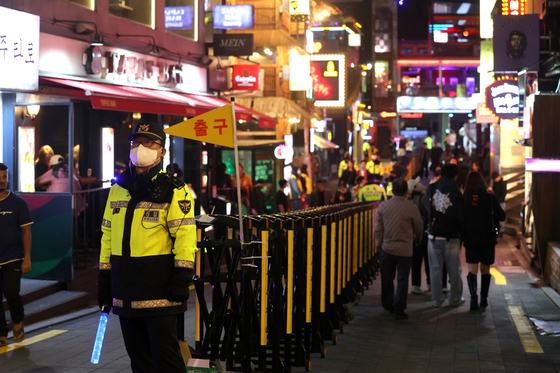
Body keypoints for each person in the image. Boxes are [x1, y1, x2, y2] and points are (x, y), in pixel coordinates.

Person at [97, 122, 196, 373]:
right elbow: (107, 236)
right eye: (136, 142)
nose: (140, 148)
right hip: (125, 290)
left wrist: (181, 279)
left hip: (160, 291)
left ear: (162, 152)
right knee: (139, 360)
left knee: (167, 358)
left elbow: (185, 237)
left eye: (149, 143)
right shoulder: (118, 188)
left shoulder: (175, 190)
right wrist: (103, 279)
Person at [375, 178, 424, 319]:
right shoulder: (412, 207)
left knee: (387, 278)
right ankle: (399, 308)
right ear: (406, 192)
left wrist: (379, 244)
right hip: (405, 249)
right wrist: (419, 238)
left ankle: (387, 304)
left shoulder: (383, 207)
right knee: (403, 279)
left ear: (391, 191)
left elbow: (378, 229)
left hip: (387, 249)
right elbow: (419, 227)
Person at [422, 164, 465, 307]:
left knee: (435, 269)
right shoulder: (456, 192)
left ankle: (437, 300)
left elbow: (425, 207)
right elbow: (461, 216)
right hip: (451, 236)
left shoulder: (431, 188)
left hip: (433, 234)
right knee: (454, 270)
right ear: (454, 176)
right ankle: (455, 298)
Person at [0, 163, 33, 347]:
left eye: (4, 177)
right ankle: (1, 333)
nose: (2, 181)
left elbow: (27, 232)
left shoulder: (17, 202)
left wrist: (26, 258)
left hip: (13, 256)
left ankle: (18, 321)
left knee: (11, 293)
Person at [463, 171, 505, 310]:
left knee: (472, 269)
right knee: (485, 270)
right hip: (488, 239)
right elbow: (502, 216)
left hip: (470, 239)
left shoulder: (465, 198)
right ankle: (484, 299)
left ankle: (473, 299)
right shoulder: (490, 198)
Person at [408, 177, 431, 294]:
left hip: (413, 235)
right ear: (416, 187)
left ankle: (415, 285)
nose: (422, 184)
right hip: (424, 233)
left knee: (415, 261)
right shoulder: (424, 197)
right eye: (419, 183)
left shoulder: (408, 200)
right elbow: (429, 213)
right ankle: (429, 283)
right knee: (428, 259)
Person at [491, 171, 507, 236]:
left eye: (495, 178)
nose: (495, 180)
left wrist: (499, 200)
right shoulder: (496, 183)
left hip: (501, 202)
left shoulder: (502, 183)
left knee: (500, 217)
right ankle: (497, 231)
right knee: (496, 217)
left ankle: (501, 231)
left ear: (498, 177)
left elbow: (504, 193)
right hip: (497, 202)